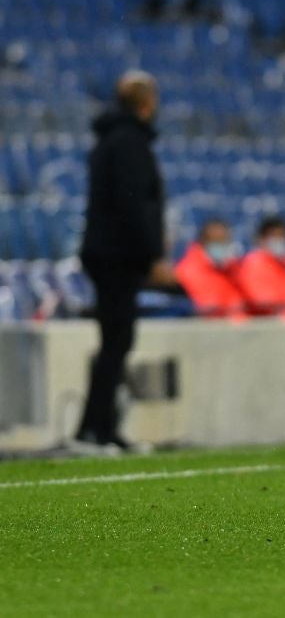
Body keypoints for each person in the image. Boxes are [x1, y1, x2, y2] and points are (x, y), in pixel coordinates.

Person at [74, 70, 170, 453]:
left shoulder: (111, 140)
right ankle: (93, 431)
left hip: (107, 253)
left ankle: (102, 428)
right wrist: (152, 256)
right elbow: (134, 205)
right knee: (116, 340)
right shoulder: (130, 143)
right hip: (118, 256)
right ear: (147, 103)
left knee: (115, 340)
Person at [174, 219, 247, 317]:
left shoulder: (233, 268)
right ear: (202, 241)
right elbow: (210, 309)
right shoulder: (188, 271)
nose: (221, 246)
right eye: (216, 241)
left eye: (224, 241)